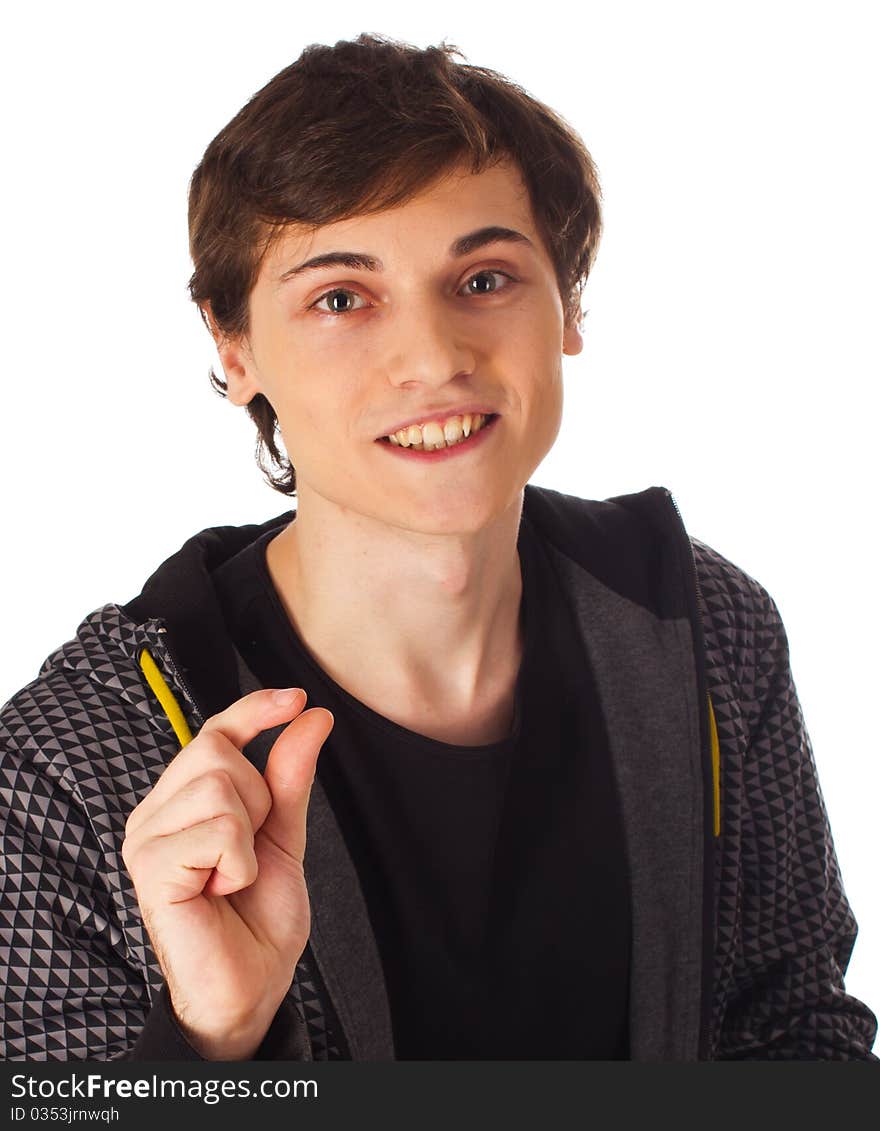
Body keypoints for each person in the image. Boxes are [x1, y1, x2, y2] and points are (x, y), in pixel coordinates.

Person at [0, 32, 876, 1063]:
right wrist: (210, 1040)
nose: (432, 358)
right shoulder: (73, 758)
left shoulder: (704, 624)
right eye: (339, 299)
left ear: (569, 303)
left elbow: (793, 1027)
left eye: (485, 279)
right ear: (234, 348)